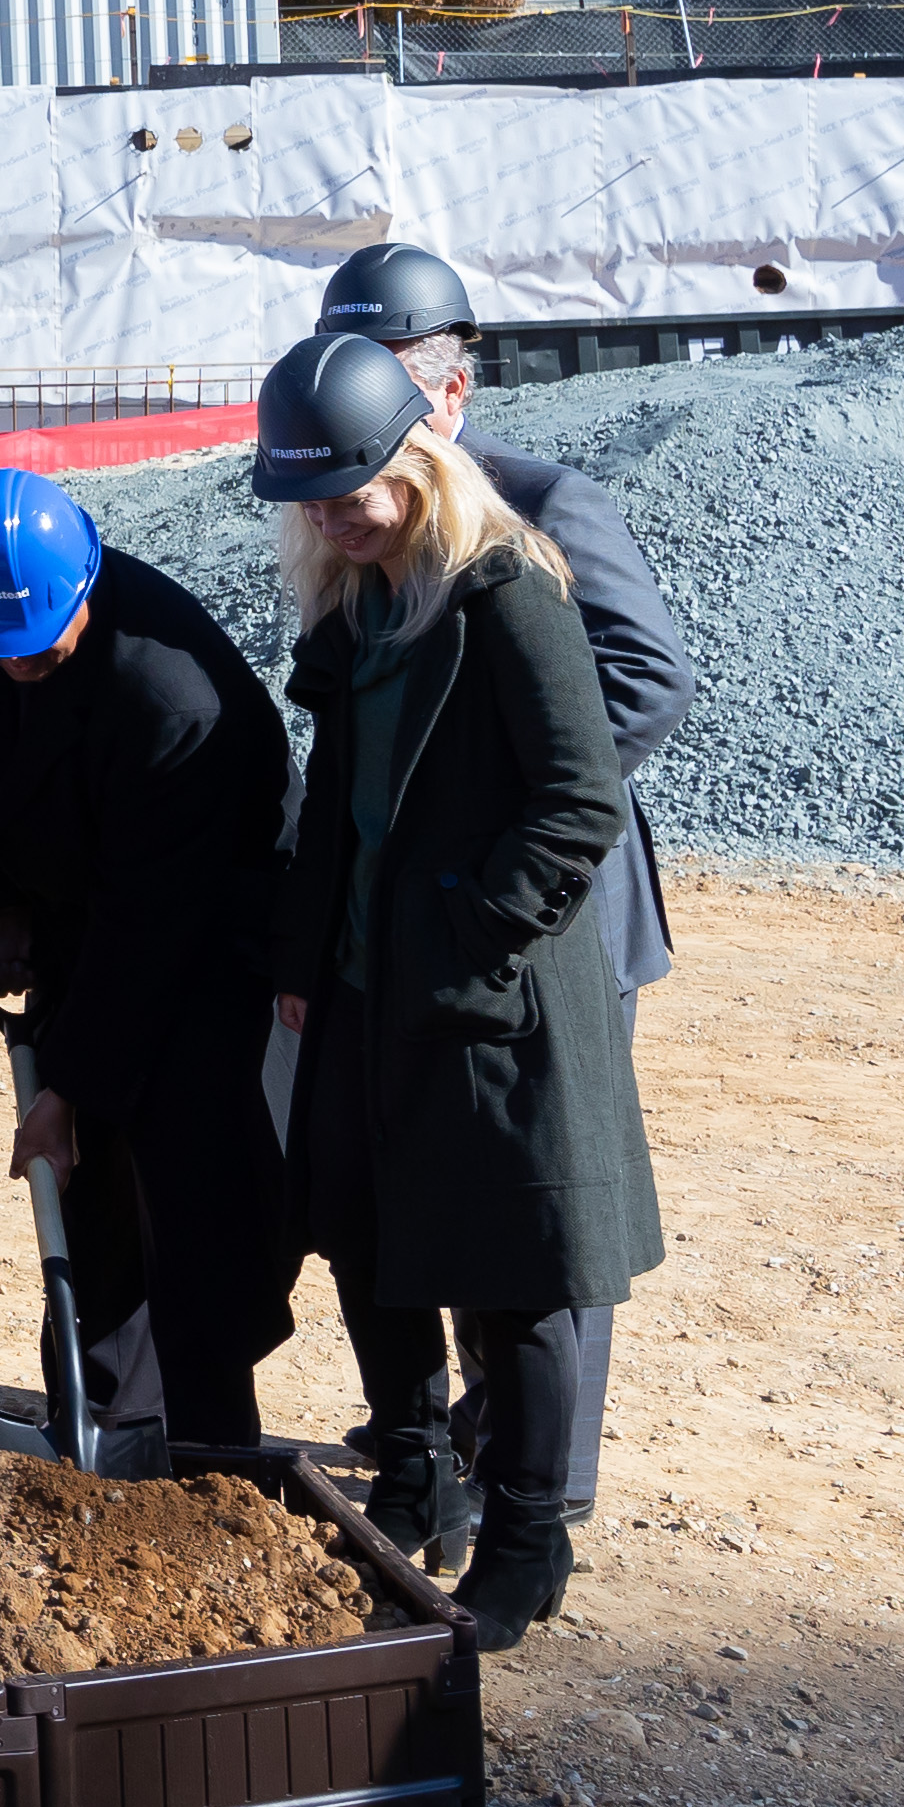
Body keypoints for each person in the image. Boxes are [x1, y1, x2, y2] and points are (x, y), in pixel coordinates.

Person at [252, 330, 664, 1654]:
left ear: (419, 456)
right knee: (369, 1243)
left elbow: (579, 797)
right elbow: (333, 813)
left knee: (512, 1280)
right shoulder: (354, 597)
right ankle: (416, 1475)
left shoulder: (504, 589)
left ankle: (528, 1544)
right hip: (370, 989)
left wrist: (476, 938)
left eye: (357, 489)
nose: (337, 517)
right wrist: (302, 963)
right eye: (314, 500)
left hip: (490, 1003)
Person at [317, 242, 692, 1530]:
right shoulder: (351, 541)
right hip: (429, 923)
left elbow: (641, 684)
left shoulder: (540, 507)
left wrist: (502, 810)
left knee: (545, 1203)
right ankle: (450, 1441)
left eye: (399, 389)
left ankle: (549, 1480)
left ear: (452, 395)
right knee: (435, 1181)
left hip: (547, 917)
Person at [0, 467, 295, 1452]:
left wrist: (68, 1091)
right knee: (92, 1205)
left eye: (36, 653)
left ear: (84, 586)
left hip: (205, 933)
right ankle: (96, 1423)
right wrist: (20, 920)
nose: (15, 668)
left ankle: (212, 1449)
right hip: (97, 916)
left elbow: (152, 925)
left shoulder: (167, 697)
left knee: (189, 1190)